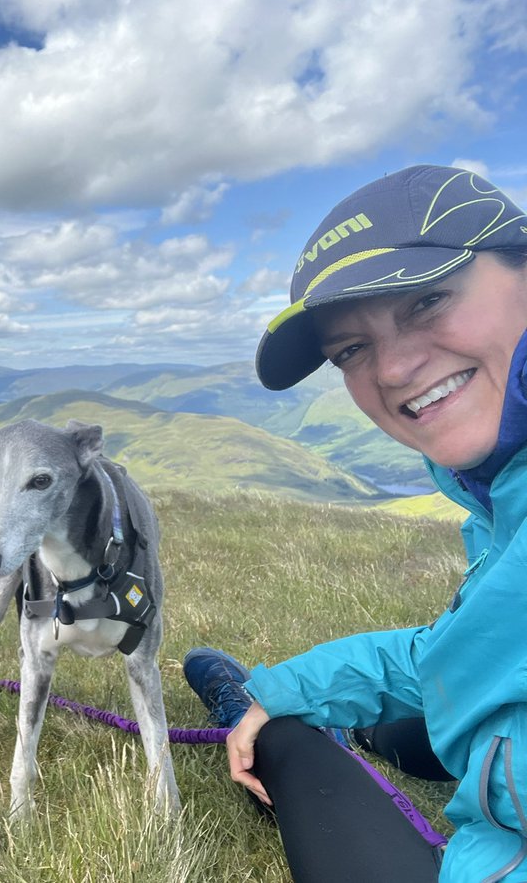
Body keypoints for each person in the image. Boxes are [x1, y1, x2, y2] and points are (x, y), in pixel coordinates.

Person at [184, 164, 527, 882]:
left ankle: (243, 708)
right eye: (351, 350)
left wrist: (269, 709)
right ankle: (290, 708)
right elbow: (457, 652)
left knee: (284, 740)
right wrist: (288, 688)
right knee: (402, 726)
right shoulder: (500, 495)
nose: (396, 368)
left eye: (427, 300)